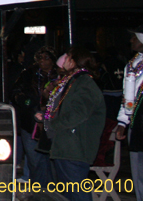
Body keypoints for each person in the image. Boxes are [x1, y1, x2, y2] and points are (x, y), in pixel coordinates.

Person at [37, 46, 105, 201]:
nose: (64, 60)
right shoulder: (72, 82)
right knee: (67, 195)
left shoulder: (84, 83)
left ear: (76, 62)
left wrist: (53, 123)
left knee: (76, 193)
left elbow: (78, 113)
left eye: (68, 57)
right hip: (65, 146)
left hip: (74, 148)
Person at [11, 46, 58, 186]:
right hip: (31, 123)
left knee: (53, 162)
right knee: (35, 161)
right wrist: (29, 103)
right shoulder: (28, 74)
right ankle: (39, 192)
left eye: (46, 58)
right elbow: (15, 93)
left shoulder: (59, 75)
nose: (43, 61)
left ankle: (53, 192)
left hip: (53, 124)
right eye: (40, 58)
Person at [116, 25, 143, 201]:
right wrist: (122, 122)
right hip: (138, 125)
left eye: (134, 37)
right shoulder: (133, 64)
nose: (131, 40)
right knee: (138, 171)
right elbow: (128, 97)